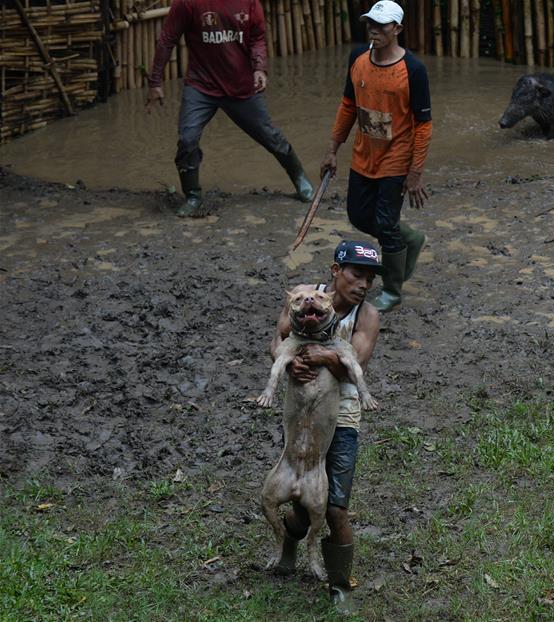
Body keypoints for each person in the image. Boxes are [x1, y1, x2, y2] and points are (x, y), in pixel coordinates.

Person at [269, 240, 381, 607]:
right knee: (302, 504)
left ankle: (340, 587)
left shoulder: (367, 316)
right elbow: (278, 339)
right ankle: (289, 547)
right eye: (356, 274)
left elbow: (355, 366)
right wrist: (290, 363)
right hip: (302, 413)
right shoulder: (304, 296)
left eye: (370, 278)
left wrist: (324, 355)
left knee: (335, 508)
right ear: (335, 271)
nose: (364, 284)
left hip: (342, 418)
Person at [145, 0, 314, 217]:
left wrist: (260, 68)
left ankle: (299, 178)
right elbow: (168, 38)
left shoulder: (249, 3)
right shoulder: (187, 3)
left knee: (270, 136)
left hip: (241, 87)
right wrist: (155, 82)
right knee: (187, 139)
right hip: (201, 86)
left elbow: (257, 38)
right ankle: (193, 195)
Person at [321, 0, 432, 312]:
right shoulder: (358, 59)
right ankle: (409, 239)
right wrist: (333, 150)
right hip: (363, 154)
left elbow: (423, 126)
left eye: (381, 25)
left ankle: (392, 291)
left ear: (397, 29)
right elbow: (347, 106)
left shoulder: (413, 70)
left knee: (384, 224)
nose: (374, 29)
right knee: (358, 215)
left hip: (396, 158)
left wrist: (415, 171)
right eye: (370, 22)